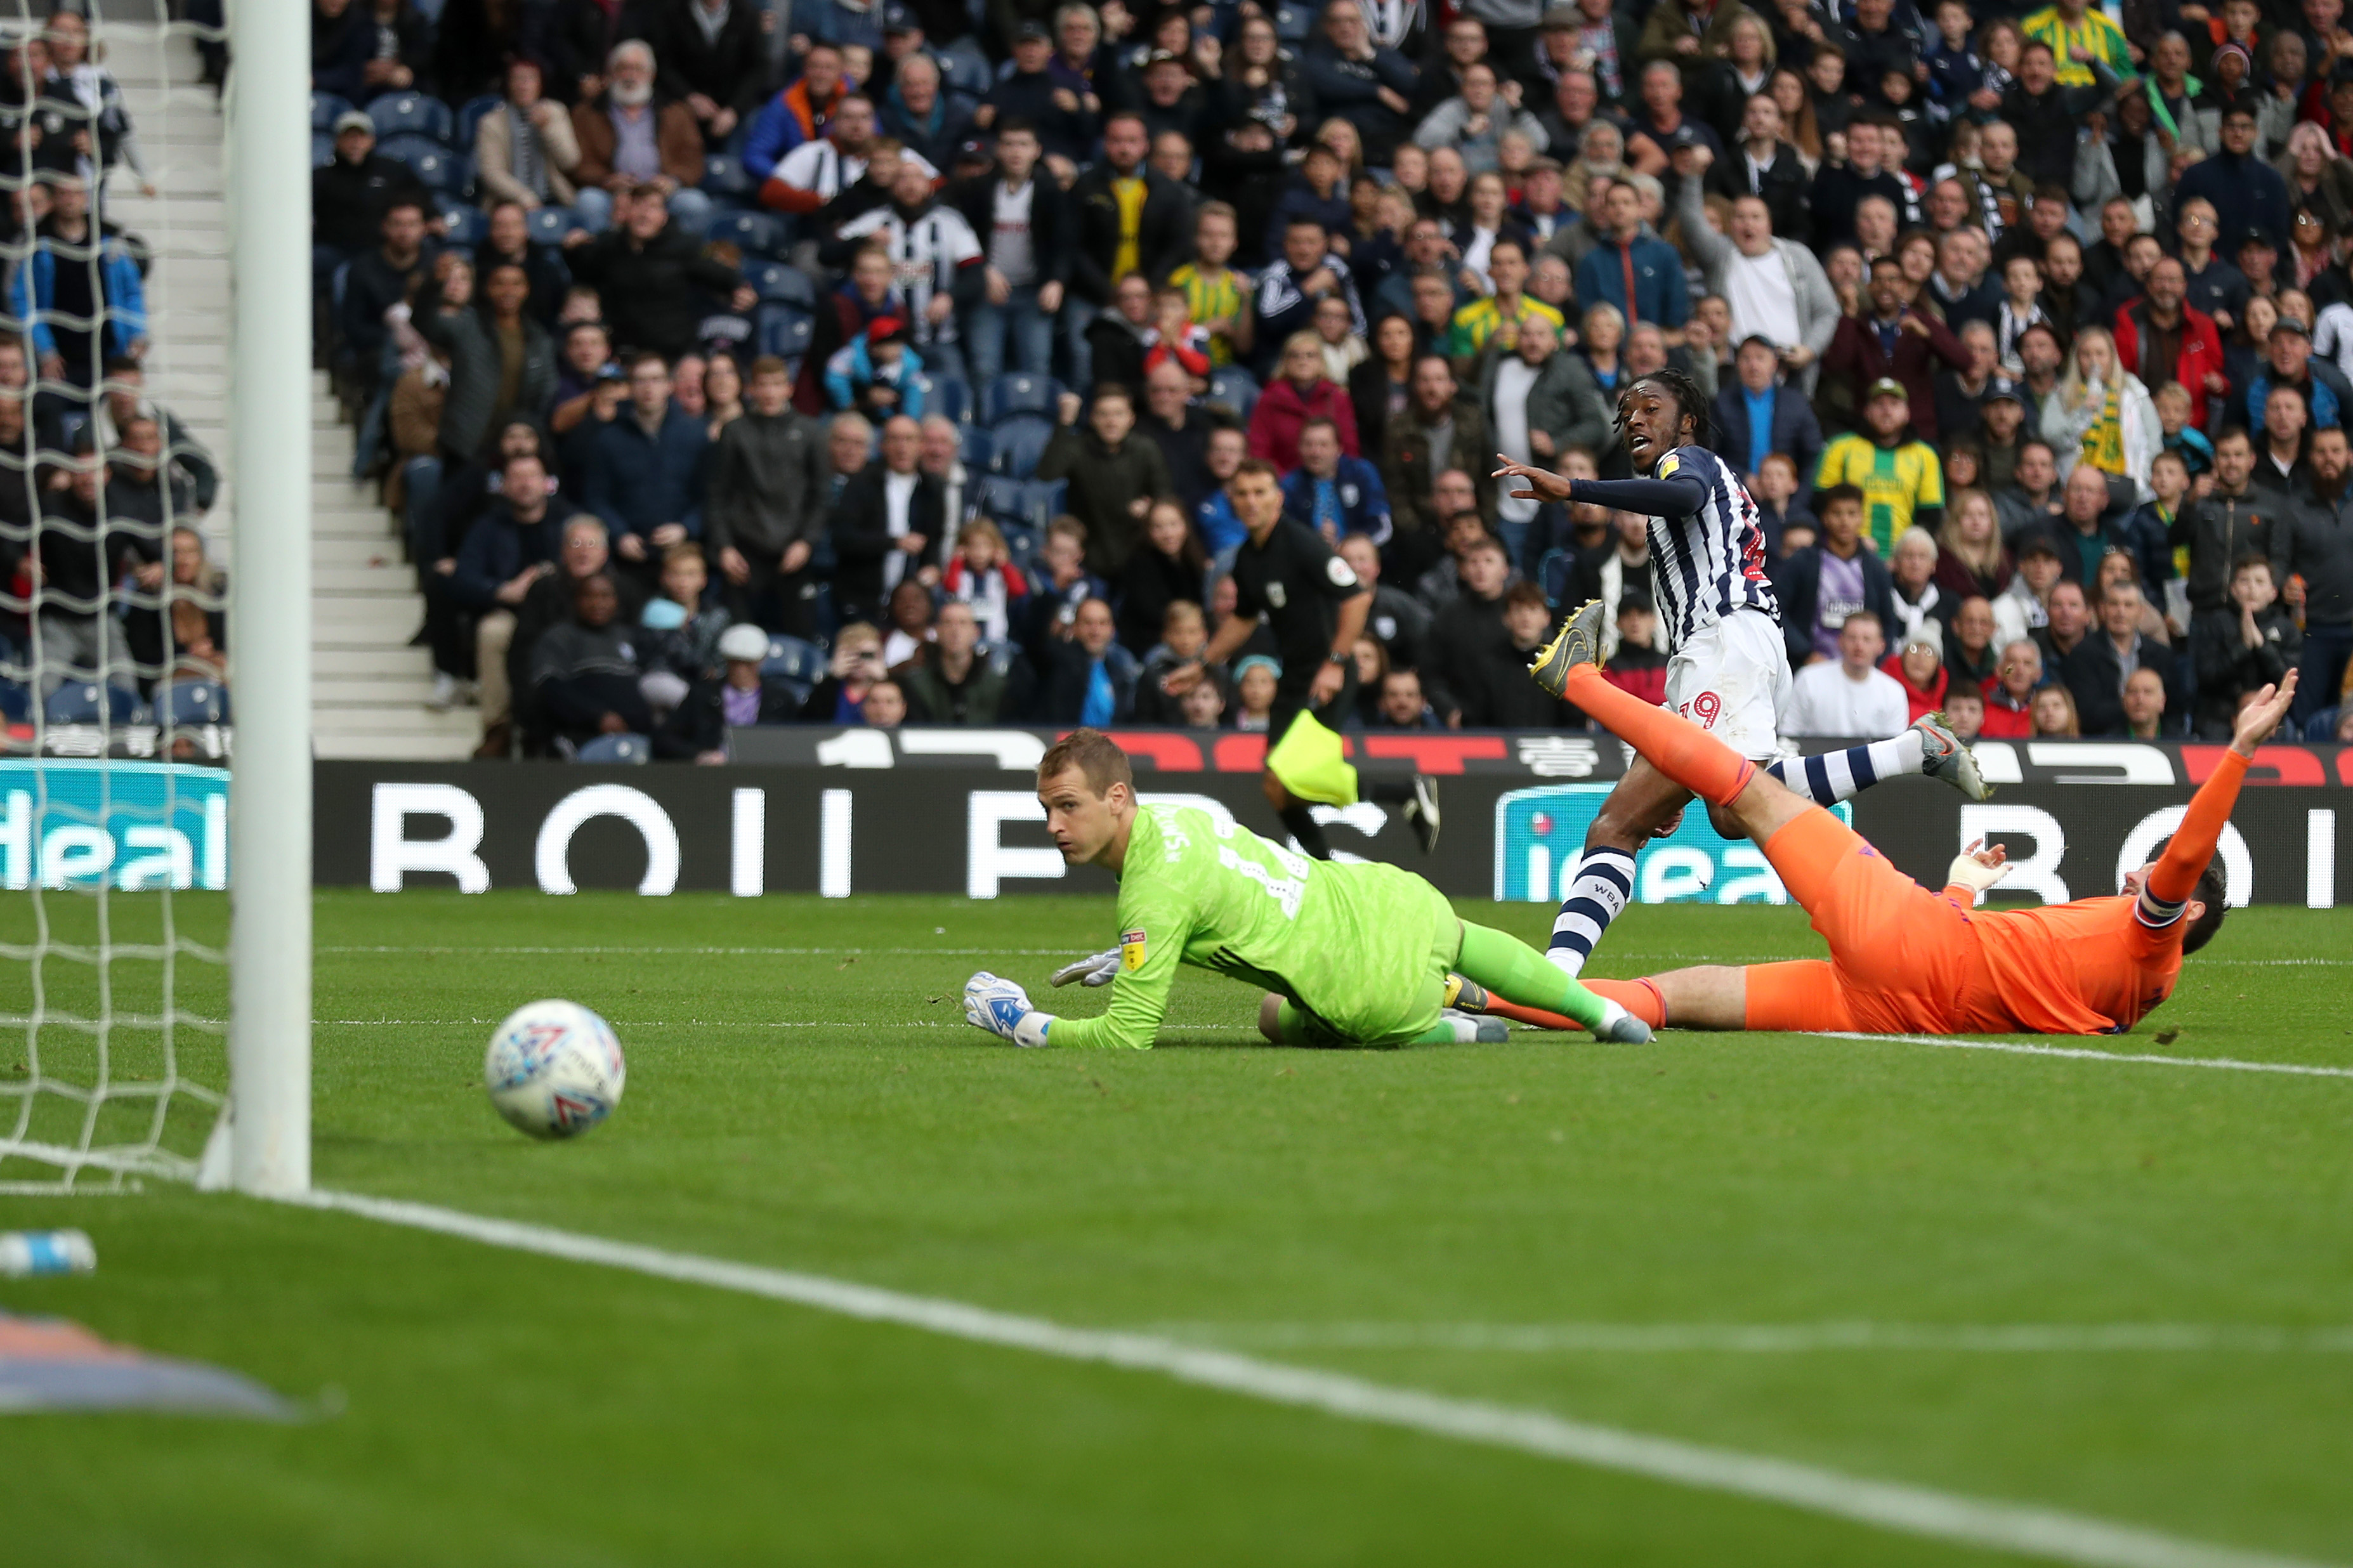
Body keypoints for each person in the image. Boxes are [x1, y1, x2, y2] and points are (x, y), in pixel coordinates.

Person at [1491, 601, 2295, 1038]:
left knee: (1745, 786)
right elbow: (1993, 982)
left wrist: (2240, 753)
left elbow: (2188, 852)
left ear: (2184, 909)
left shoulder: (2153, 939)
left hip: (1907, 941)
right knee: (1664, 998)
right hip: (1899, 1008)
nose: (2135, 876)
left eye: (2151, 878)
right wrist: (1962, 890)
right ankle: (1475, 1000)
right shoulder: (2138, 993)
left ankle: (1582, 681)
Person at [1500, 372, 1988, 977]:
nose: (1634, 420)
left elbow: (1681, 496)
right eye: (1626, 413)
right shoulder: (1685, 484)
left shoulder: (1689, 461)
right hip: (1732, 647)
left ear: (1686, 422)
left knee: (1616, 823)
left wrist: (1574, 488)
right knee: (1732, 814)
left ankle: (1553, 979)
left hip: (1723, 644)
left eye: (1650, 408)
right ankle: (1914, 750)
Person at [959, 729, 1649, 1052]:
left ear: (1115, 797)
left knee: (1320, 1011)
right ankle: (1606, 1018)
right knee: (1455, 940)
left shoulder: (1151, 893)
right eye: (1047, 808)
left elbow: (1126, 1037)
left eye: (1066, 806)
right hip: (1385, 897)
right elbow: (1224, 908)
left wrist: (1022, 1022)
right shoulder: (1182, 817)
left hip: (1370, 998)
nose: (1053, 825)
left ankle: (1451, 1031)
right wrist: (1142, 950)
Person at [1157, 459, 1438, 860]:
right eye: (1243, 494)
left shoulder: (1302, 544)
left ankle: (1400, 795)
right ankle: (1327, 867)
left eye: (1260, 493)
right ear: (1232, 501)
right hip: (1294, 678)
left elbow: (1357, 597)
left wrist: (1336, 662)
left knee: (1296, 774)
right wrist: (1202, 664)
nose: (1251, 502)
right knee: (1276, 785)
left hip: (1329, 673)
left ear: (1278, 498)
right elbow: (1243, 618)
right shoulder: (1247, 559)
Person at [706, 356, 825, 638]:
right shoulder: (735, 431)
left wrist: (806, 542)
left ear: (789, 388)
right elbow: (716, 494)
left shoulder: (811, 432)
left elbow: (820, 495)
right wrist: (724, 546)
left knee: (801, 635)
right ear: (750, 390)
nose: (770, 392)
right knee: (738, 640)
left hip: (793, 552)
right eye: (763, 385)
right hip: (744, 554)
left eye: (776, 384)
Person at [950, 120, 1070, 384]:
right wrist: (983, 270)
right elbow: (959, 232)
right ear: (998, 150)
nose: (1016, 152)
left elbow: (1065, 243)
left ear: (1036, 150)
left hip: (1034, 293)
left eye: (1023, 145)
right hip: (989, 292)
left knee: (1037, 368)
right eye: (1009, 144)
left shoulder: (1051, 192)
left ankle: (1037, 423)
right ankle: (983, 424)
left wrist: (1057, 282)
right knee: (984, 368)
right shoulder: (979, 188)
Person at [568, 41, 711, 236]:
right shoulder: (587, 113)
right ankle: (602, 260)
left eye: (638, 69)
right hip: (612, 192)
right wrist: (607, 180)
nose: (630, 76)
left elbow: (693, 160)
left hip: (663, 192)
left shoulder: (677, 112)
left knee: (694, 204)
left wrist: (672, 181)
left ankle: (679, 262)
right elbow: (579, 163)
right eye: (623, 69)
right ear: (610, 75)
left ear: (651, 76)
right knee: (588, 201)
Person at [831, 414, 945, 627]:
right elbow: (843, 538)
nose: (902, 447)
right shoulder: (861, 483)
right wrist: (894, 543)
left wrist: (932, 566)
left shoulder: (932, 488)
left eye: (909, 439)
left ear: (921, 446)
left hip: (907, 607)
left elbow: (935, 538)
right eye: (895, 439)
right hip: (861, 599)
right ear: (883, 445)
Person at [1812, 377, 1946, 555]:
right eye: (1879, 404)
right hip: (1847, 555)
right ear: (1867, 411)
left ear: (1907, 413)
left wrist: (1903, 556)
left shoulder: (1925, 455)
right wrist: (1854, 543)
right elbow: (1822, 505)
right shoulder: (1839, 448)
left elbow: (1930, 517)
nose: (1887, 411)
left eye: (1894, 404)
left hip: (1903, 562)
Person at [530, 571, 655, 750]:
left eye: (605, 596)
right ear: (575, 600)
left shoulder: (629, 636)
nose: (598, 604)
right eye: (589, 596)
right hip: (584, 736)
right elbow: (551, 688)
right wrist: (598, 717)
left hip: (639, 736)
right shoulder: (560, 637)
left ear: (616, 601)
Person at [2062, 578, 2183, 736]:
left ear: (2141, 612)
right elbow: (2086, 712)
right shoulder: (2082, 655)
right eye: (2114, 604)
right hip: (2101, 742)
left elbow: (2174, 709)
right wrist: (2136, 708)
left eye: (2128, 605)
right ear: (2102, 610)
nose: (2121, 612)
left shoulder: (2162, 655)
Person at [1711, 335, 1823, 487]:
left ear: (1775, 364)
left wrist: (1796, 493)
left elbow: (1813, 454)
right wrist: (1743, 478)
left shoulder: (1796, 404)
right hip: (1734, 489)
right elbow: (1711, 453)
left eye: (1760, 358)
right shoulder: (1722, 403)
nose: (1753, 366)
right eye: (1746, 358)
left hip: (1786, 496)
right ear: (1737, 364)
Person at [901, 599, 1033, 725]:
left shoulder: (998, 687)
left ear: (975, 632)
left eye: (963, 623)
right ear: (937, 631)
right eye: (948, 623)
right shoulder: (916, 685)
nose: (955, 631)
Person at [475, 56, 583, 211]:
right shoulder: (491, 122)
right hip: (508, 201)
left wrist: (548, 128)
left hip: (553, 198)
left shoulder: (556, 112)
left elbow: (570, 161)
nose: (523, 86)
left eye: (530, 79)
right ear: (509, 84)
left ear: (540, 84)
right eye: (518, 79)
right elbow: (491, 173)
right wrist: (523, 197)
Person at [1783, 610, 1908, 736]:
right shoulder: (1808, 680)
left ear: (1881, 646)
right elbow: (1788, 735)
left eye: (1867, 639)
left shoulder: (1894, 693)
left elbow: (1894, 749)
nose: (1859, 646)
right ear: (1840, 641)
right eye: (1852, 638)